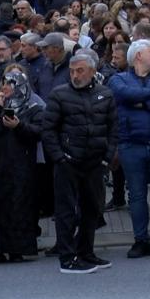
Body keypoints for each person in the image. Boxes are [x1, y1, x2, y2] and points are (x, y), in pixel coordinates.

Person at [42, 53, 118, 274]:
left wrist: (107, 156)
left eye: (80, 70)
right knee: (66, 210)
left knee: (92, 208)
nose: (75, 75)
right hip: (68, 162)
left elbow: (113, 128)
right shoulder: (59, 94)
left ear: (93, 71)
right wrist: (59, 157)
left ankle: (86, 251)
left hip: (95, 162)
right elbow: (48, 131)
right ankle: (67, 258)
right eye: (72, 71)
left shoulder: (105, 94)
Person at [0, 66, 45, 263]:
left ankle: (17, 249)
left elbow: (39, 132)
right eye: (3, 83)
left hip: (20, 165)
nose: (5, 88)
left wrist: (19, 126)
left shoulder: (32, 107)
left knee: (18, 206)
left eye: (9, 84)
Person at [108, 40, 150, 258]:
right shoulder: (118, 79)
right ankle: (141, 240)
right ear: (139, 55)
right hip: (131, 144)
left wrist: (141, 101)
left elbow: (132, 98)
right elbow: (125, 96)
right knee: (137, 196)